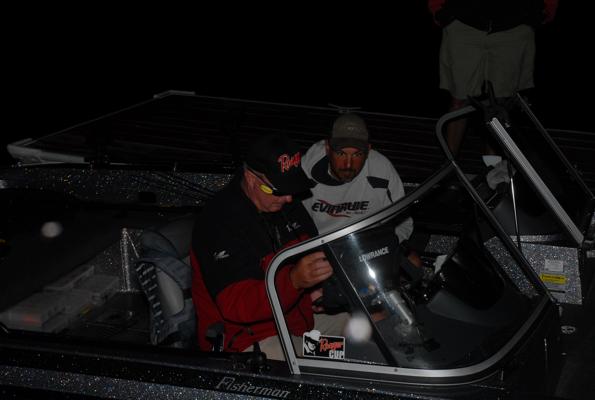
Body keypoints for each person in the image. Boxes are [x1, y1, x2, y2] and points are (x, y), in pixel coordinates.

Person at [190, 135, 344, 360]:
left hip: (294, 322)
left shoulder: (282, 203)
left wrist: (318, 288)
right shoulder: (218, 222)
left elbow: (311, 249)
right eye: (280, 190)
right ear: (251, 178)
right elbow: (237, 306)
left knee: (361, 331)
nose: (289, 198)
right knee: (335, 361)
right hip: (248, 341)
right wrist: (294, 281)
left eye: (292, 187)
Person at [428, 0, 559, 160]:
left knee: (499, 104)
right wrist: (438, 9)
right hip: (463, 24)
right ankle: (449, 165)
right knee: (459, 100)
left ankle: (492, 167)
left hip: (514, 27)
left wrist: (544, 10)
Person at [301, 112, 413, 244]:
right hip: (318, 246)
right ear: (327, 148)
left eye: (357, 154)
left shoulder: (381, 170)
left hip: (368, 245)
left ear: (368, 151)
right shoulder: (305, 173)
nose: (348, 165)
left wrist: (395, 245)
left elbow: (402, 222)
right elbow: (293, 226)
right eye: (341, 153)